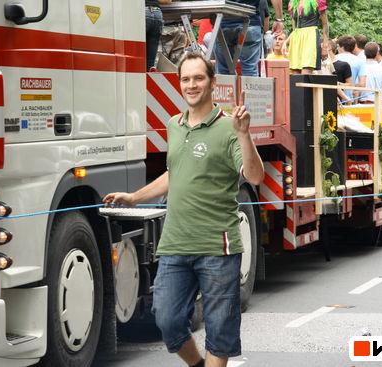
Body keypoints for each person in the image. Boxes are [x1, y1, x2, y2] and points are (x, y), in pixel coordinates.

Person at [103, 52, 264, 367]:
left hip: (218, 246)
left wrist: (244, 135)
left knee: (219, 329)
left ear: (213, 83)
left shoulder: (229, 126)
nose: (192, 85)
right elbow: (175, 172)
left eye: (199, 78)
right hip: (175, 244)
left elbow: (255, 175)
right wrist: (135, 197)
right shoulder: (173, 124)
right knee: (167, 320)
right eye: (186, 79)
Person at [214, 0, 283, 76]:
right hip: (249, 24)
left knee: (223, 73)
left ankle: (225, 86)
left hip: (224, 24)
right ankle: (249, 87)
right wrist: (279, 20)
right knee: (249, 71)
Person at [285, 0, 329, 74]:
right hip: (297, 38)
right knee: (295, 73)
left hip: (310, 36)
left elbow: (325, 24)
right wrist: (285, 42)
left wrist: (325, 45)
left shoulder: (317, 1)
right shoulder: (293, 3)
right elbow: (294, 29)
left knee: (306, 70)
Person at [335, 35, 366, 100]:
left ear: (342, 47)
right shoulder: (360, 61)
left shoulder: (334, 59)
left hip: (335, 96)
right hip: (350, 98)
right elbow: (362, 84)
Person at [145, 0, 172, 71]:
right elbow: (167, 1)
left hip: (142, 11)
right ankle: (148, 78)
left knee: (136, 54)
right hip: (157, 13)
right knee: (150, 61)